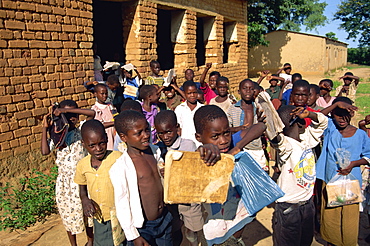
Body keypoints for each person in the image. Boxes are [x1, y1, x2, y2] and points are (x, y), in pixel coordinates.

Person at [193, 105, 267, 245]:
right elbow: (196, 158)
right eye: (215, 136)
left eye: (226, 133)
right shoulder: (203, 157)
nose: (223, 140)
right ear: (199, 137)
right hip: (220, 235)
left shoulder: (231, 145)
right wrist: (204, 149)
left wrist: (238, 147)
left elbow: (260, 127)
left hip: (237, 230)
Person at [109, 110, 172, 245]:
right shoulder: (121, 167)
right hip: (143, 228)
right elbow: (122, 203)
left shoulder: (155, 151)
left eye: (147, 130)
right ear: (123, 137)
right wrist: (133, 235)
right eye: (138, 133)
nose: (146, 136)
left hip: (164, 218)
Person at [269, 105, 328, 246]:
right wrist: (269, 123)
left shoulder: (306, 138)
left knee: (305, 241)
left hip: (307, 205)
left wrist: (310, 114)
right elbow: (276, 139)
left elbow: (323, 122)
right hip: (289, 208)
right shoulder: (286, 146)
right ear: (299, 123)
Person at [316, 97, 370, 246]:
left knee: (349, 218)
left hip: (351, 184)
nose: (342, 119)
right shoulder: (330, 129)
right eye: (338, 114)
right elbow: (318, 116)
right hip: (330, 181)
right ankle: (332, 242)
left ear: (352, 114)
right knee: (330, 216)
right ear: (333, 114)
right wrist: (335, 105)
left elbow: (368, 155)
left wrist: (354, 163)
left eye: (345, 114)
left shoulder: (360, 135)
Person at [41, 100, 95, 246]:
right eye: (67, 114)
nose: (71, 117)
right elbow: (45, 151)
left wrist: (65, 112)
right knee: (69, 215)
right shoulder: (57, 136)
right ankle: (74, 244)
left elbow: (92, 113)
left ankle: (90, 241)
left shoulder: (82, 130)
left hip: (83, 181)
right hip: (66, 184)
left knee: (88, 213)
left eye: (73, 114)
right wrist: (45, 129)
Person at [154, 110, 204, 246]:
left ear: (177, 128)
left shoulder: (188, 145)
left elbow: (193, 170)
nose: (165, 137)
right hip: (169, 200)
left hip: (187, 198)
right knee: (174, 227)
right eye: (161, 133)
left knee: (193, 227)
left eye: (168, 131)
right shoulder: (157, 150)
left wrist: (173, 171)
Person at [74, 120, 124, 246]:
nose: (98, 149)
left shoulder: (118, 158)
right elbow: (82, 190)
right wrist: (85, 201)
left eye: (102, 143)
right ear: (83, 144)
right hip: (99, 216)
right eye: (92, 145)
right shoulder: (82, 165)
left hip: (119, 215)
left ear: (107, 138)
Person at [227, 79, 268, 170]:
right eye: (245, 88)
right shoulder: (233, 109)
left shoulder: (258, 108)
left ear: (254, 91)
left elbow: (264, 128)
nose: (248, 91)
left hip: (255, 148)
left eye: (250, 88)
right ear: (239, 91)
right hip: (237, 148)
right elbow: (226, 129)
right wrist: (237, 129)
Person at [174, 80, 203, 146]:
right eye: (189, 93)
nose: (192, 95)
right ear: (184, 93)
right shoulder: (180, 109)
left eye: (194, 92)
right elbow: (178, 128)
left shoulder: (202, 108)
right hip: (184, 145)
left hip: (199, 144)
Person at [91, 84, 116, 150]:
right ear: (95, 94)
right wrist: (114, 123)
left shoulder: (110, 106)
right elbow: (99, 124)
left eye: (106, 93)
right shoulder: (95, 109)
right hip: (106, 135)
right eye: (102, 94)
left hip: (114, 133)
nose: (105, 96)